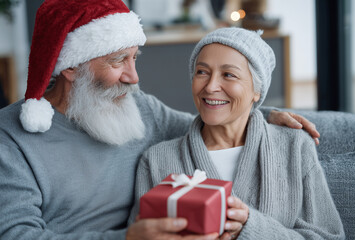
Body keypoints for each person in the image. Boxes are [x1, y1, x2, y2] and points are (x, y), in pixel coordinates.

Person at [0, 0, 319, 239]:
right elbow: (16, 235)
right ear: (70, 67)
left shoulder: (137, 106)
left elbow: (206, 126)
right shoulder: (11, 138)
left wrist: (259, 112)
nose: (133, 77)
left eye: (134, 58)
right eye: (117, 61)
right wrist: (126, 238)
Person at [128, 27, 345, 240]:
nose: (211, 86)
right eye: (202, 72)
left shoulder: (294, 147)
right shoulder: (157, 160)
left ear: (257, 91)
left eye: (229, 75)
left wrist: (252, 229)